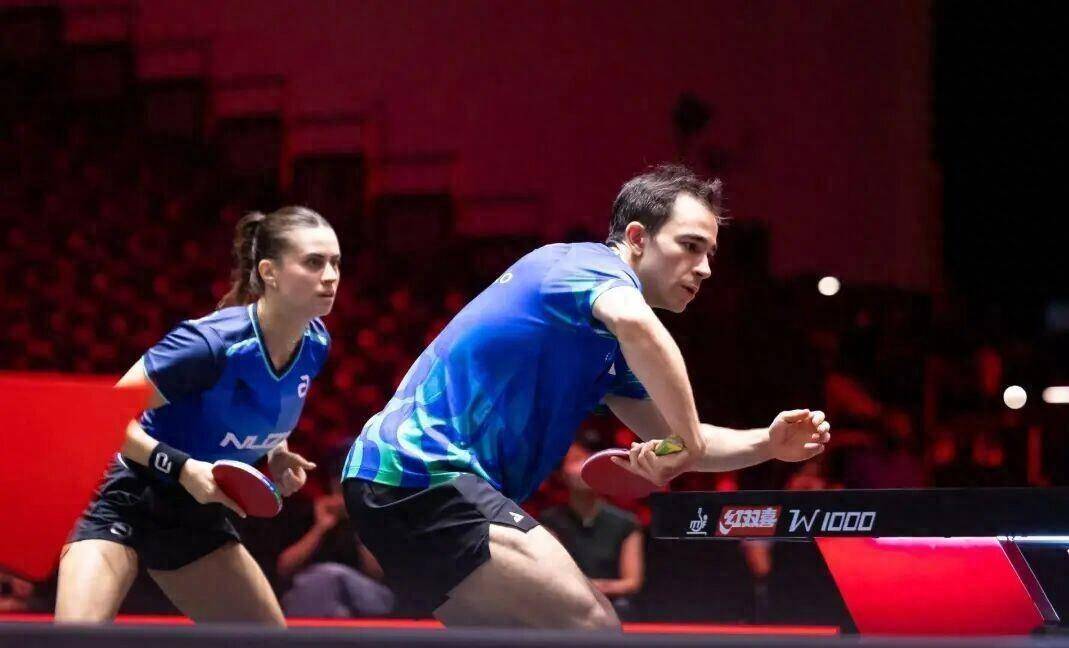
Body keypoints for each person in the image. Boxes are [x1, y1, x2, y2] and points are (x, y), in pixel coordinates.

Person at [341, 164, 831, 628]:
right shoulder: (582, 265)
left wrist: (767, 443)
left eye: (709, 255)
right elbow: (640, 330)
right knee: (592, 624)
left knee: (519, 637)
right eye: (689, 246)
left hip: (395, 484)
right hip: (422, 474)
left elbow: (678, 434)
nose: (703, 269)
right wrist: (688, 444)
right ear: (637, 238)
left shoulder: (609, 349)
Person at [56, 206, 339, 625]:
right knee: (75, 639)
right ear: (270, 272)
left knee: (267, 641)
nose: (330, 276)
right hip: (124, 496)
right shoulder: (209, 343)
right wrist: (183, 468)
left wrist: (277, 452)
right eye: (314, 262)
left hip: (194, 512)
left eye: (335, 263)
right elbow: (104, 418)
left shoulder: (315, 343)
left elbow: (263, 400)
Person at [540, 444, 644, 616]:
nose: (584, 466)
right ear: (562, 474)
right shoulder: (549, 522)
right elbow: (552, 576)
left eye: (589, 460)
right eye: (575, 460)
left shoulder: (626, 523)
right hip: (566, 602)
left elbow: (631, 582)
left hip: (611, 605)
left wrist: (594, 588)